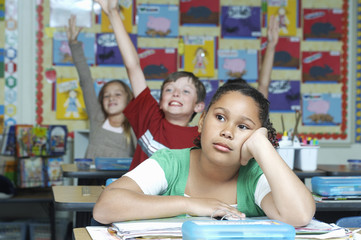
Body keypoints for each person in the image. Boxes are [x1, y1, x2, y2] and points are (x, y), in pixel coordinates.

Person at [93, 82, 315, 227]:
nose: (227, 132)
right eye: (220, 117)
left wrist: (263, 146)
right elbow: (105, 208)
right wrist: (190, 205)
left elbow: (299, 216)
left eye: (243, 127)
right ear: (201, 122)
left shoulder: (254, 176)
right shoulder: (171, 163)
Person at [95, 0, 279, 170]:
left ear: (199, 107)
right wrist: (113, 13)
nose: (175, 94)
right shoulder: (149, 118)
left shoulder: (205, 135)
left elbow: (258, 100)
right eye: (169, 89)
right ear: (160, 101)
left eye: (185, 91)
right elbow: (133, 67)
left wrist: (271, 46)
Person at [67, 15, 137, 160]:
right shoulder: (97, 117)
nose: (111, 98)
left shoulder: (134, 128)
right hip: (92, 181)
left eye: (117, 94)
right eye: (106, 95)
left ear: (128, 98)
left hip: (119, 181)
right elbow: (86, 80)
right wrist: (74, 44)